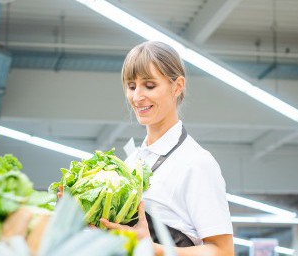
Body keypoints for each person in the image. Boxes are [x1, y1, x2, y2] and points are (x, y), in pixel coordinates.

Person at [99, 41, 234, 256]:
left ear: (177, 86)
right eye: (131, 86)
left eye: (149, 85)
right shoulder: (130, 163)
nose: (137, 97)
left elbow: (223, 251)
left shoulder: (196, 163)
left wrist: (152, 250)